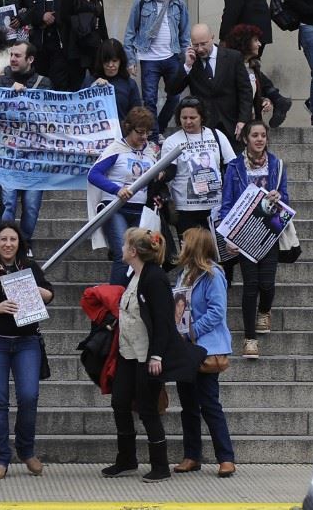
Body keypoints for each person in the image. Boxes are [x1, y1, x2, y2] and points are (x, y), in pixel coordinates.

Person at [0, 221, 54, 479]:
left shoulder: (28, 268)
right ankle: (1, 457)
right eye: (3, 239)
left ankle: (26, 450)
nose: (7, 244)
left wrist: (39, 291)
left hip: (26, 342)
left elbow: (50, 293)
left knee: (29, 396)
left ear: (19, 243)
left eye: (12, 240)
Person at [102, 227, 183, 484]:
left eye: (125, 245)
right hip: (128, 353)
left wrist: (157, 356)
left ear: (134, 251)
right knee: (120, 402)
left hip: (148, 355)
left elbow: (163, 322)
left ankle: (160, 466)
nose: (122, 249)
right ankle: (126, 459)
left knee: (147, 408)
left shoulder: (155, 278)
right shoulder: (134, 276)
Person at [220, 120, 290, 360]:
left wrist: (279, 197)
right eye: (255, 135)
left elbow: (286, 201)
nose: (259, 139)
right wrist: (229, 235)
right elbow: (227, 204)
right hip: (244, 234)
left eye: (263, 135)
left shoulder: (277, 166)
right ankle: (250, 339)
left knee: (267, 284)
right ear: (246, 138)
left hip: (269, 233)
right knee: (250, 285)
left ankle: (265, 309)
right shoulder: (234, 167)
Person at [171, 227, 236, 477]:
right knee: (188, 404)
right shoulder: (184, 274)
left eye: (184, 242)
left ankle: (226, 457)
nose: (181, 245)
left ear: (195, 246)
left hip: (205, 347)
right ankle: (192, 456)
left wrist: (190, 331)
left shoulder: (213, 275)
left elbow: (217, 312)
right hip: (185, 348)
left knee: (209, 403)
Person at [87, 106, 159, 286]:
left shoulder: (149, 151)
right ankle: (115, 302)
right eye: (140, 132)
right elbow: (94, 174)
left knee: (139, 256)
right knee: (123, 254)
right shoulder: (116, 149)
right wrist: (116, 189)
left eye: (147, 133)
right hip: (115, 208)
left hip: (140, 210)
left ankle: (131, 298)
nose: (143, 137)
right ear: (128, 128)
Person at [0, 41, 51, 250]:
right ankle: (3, 244)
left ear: (30, 59)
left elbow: (49, 116)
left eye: (18, 56)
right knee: (7, 203)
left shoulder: (44, 83)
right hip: (7, 155)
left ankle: (24, 243)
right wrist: (9, 91)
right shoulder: (0, 81)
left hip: (34, 157)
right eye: (11, 55)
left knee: (32, 205)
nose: (13, 59)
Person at [125, 0, 191, 137]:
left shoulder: (179, 4)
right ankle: (153, 137)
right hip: (148, 57)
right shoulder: (141, 1)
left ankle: (158, 127)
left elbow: (185, 34)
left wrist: (187, 60)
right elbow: (130, 32)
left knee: (175, 97)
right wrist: (131, 60)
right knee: (149, 100)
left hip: (172, 56)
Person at [166, 24, 252, 150]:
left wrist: (243, 120)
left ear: (212, 38)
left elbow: (245, 91)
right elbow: (172, 90)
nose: (200, 49)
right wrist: (187, 67)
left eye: (203, 44)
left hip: (231, 125)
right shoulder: (188, 60)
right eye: (195, 45)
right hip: (204, 128)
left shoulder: (233, 57)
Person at [160, 98, 235, 239]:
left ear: (202, 117)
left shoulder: (217, 135)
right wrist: (162, 174)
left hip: (216, 206)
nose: (188, 122)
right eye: (184, 118)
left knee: (216, 254)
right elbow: (170, 172)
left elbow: (231, 167)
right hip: (186, 207)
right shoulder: (172, 141)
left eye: (193, 117)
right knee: (191, 255)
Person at [223, 24, 293, 128]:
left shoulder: (253, 68)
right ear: (245, 43)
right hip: (234, 125)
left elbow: (249, 96)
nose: (260, 44)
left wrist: (263, 101)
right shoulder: (229, 69)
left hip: (251, 125)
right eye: (255, 40)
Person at [56, 0, 108, 91]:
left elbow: (102, 22)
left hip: (94, 44)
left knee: (99, 81)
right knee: (75, 83)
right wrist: (82, 21)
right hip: (75, 46)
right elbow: (63, 18)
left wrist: (106, 43)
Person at [21, 0, 65, 88]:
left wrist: (55, 17)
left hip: (59, 44)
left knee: (59, 84)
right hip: (37, 44)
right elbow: (23, 13)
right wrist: (41, 17)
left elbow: (70, 12)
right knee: (37, 84)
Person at [83, 38, 142, 121]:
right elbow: (81, 112)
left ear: (121, 61)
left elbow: (137, 116)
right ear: (101, 61)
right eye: (106, 61)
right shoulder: (89, 81)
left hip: (121, 132)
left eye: (114, 61)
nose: (110, 65)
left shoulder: (130, 84)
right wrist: (91, 90)